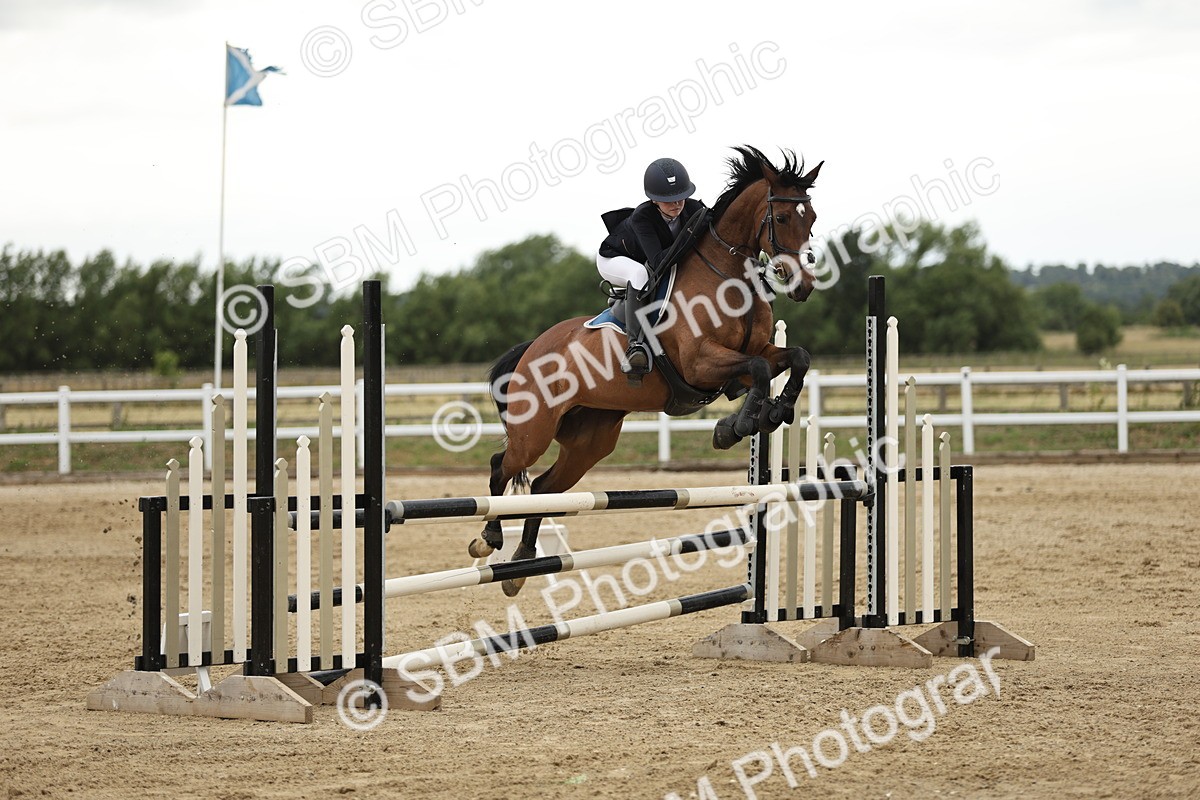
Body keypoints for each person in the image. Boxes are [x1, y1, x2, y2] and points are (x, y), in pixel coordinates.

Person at [597, 157, 706, 377]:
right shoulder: (642, 218)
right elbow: (658, 262)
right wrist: (690, 236)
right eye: (669, 200)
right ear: (654, 200)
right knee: (639, 275)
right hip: (616, 259)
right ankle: (635, 346)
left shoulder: (694, 208)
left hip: (648, 260)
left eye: (680, 198)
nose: (677, 204)